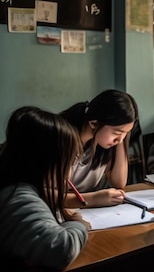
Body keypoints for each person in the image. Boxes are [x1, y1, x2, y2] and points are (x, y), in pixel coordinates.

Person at [0, 107, 89, 270]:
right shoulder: (18, 195)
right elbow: (60, 250)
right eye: (71, 159)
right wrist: (78, 225)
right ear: (49, 160)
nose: (70, 167)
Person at [61, 89, 138, 208]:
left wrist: (122, 134)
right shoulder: (64, 140)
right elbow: (46, 195)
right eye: (117, 132)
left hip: (84, 212)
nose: (120, 140)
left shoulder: (103, 141)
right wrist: (94, 199)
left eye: (126, 133)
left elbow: (119, 182)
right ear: (94, 123)